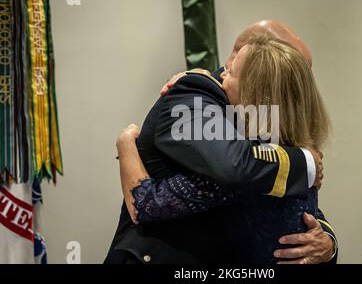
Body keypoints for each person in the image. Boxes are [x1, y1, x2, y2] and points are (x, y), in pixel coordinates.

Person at [105, 20, 337, 264]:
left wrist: (327, 243)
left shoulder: (268, 128)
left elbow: (298, 205)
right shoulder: (193, 92)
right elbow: (234, 164)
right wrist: (306, 162)